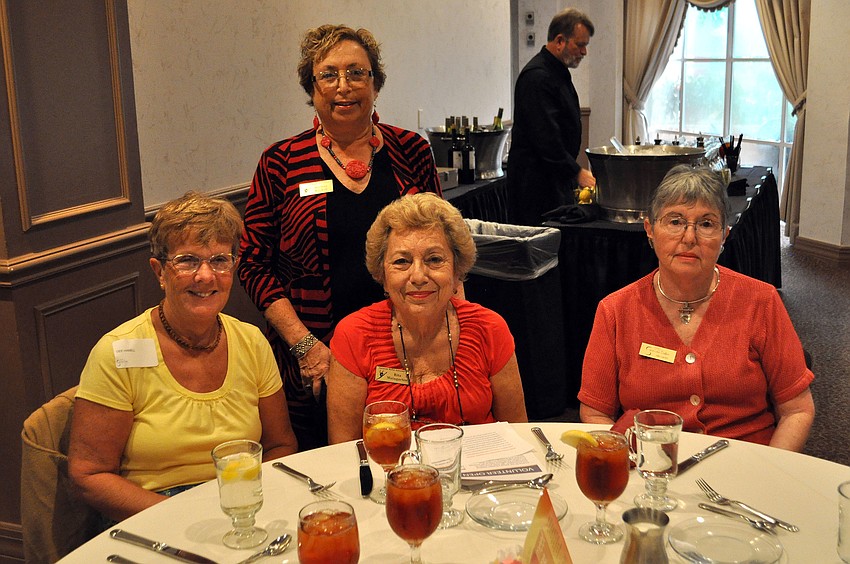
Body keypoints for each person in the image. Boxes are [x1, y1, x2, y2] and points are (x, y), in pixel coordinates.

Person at [238, 25, 441, 450]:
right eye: (328, 75)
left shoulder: (412, 152)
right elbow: (253, 262)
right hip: (318, 355)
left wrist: (446, 334)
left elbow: (445, 249)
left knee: (415, 463)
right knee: (330, 473)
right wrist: (305, 347)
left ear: (376, 83)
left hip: (409, 348)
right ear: (311, 89)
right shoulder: (280, 163)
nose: (343, 87)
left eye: (357, 73)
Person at [68, 192, 298, 522]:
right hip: (153, 513)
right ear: (159, 271)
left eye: (220, 260)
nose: (205, 276)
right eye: (188, 261)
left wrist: (240, 504)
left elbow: (280, 446)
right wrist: (187, 516)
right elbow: (89, 476)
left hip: (240, 500)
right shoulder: (117, 352)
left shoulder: (251, 341)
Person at [578, 165, 815, 451]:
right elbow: (595, 413)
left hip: (746, 465)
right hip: (651, 469)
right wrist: (638, 463)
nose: (689, 238)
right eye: (675, 222)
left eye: (705, 224)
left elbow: (797, 410)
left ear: (724, 235)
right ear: (650, 230)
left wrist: (770, 473)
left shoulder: (761, 302)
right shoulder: (615, 310)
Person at [326, 193, 528, 443]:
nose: (419, 276)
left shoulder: (490, 328)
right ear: (383, 275)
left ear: (457, 272)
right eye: (402, 261)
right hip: (389, 475)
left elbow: (518, 435)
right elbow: (344, 450)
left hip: (477, 474)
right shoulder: (354, 335)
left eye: (434, 260)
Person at [507, 7, 596, 226]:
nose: (584, 52)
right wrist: (577, 172)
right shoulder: (537, 77)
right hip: (535, 186)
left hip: (552, 179)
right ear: (559, 40)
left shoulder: (556, 72)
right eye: (580, 44)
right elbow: (545, 138)